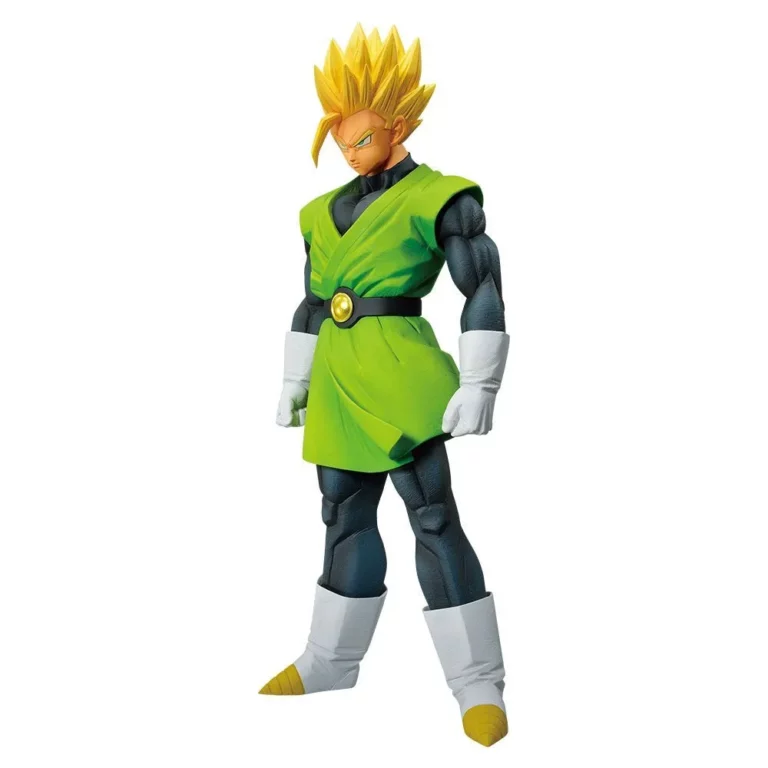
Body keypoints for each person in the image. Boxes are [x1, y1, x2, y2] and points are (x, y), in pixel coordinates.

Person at [259, 24, 511, 748]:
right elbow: (313, 300)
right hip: (338, 378)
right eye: (340, 140)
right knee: (341, 515)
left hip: (401, 374)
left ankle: (477, 681)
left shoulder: (441, 197)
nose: (348, 151)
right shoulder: (319, 213)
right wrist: (294, 376)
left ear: (397, 126)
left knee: (431, 516)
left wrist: (481, 380)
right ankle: (331, 659)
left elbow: (481, 284)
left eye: (361, 138)